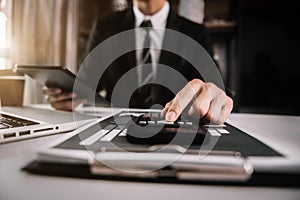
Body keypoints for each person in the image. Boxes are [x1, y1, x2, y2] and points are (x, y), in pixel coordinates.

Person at [43, 0, 233, 125]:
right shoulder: (105, 27)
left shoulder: (194, 33)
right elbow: (87, 85)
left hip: (173, 129)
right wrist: (69, 96)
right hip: (115, 128)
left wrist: (215, 96)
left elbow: (215, 89)